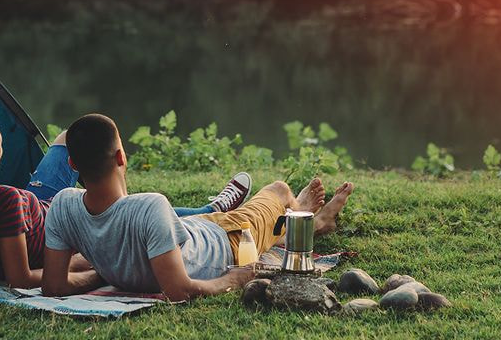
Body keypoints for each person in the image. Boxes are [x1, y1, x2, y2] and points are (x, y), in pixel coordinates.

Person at [0, 111, 254, 288]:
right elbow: (19, 278)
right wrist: (96, 272)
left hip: (35, 203)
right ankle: (209, 210)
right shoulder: (5, 201)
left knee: (71, 135)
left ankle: (205, 209)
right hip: (52, 213)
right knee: (118, 208)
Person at [41, 113, 353, 301]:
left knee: (215, 217)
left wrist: (102, 273)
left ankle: (290, 229)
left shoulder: (63, 206)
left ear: (71, 164)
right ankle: (310, 222)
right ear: (122, 158)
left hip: (196, 229)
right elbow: (180, 291)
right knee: (279, 189)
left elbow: (53, 287)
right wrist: (238, 278)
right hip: (226, 242)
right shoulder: (150, 207)